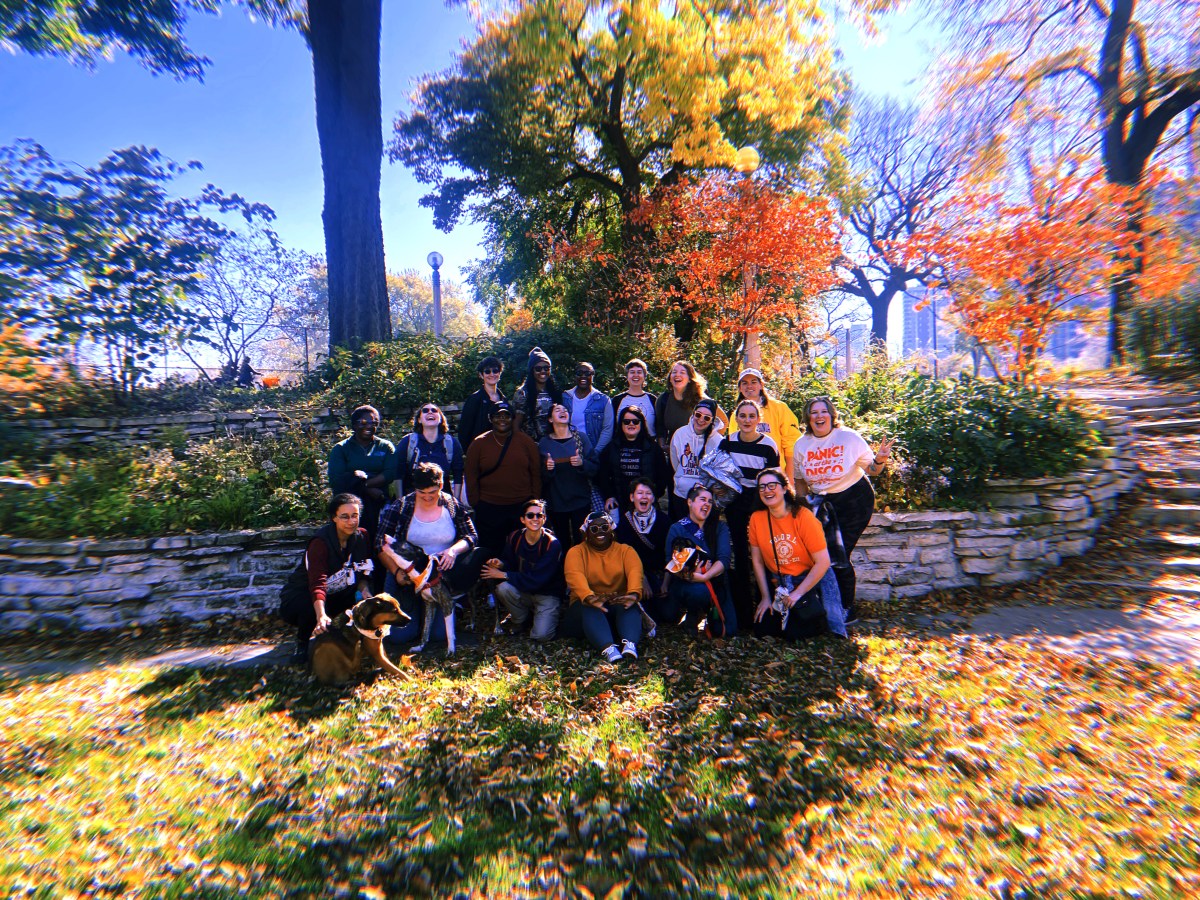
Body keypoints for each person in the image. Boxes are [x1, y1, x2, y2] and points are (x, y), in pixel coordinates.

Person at [792, 396, 894, 625]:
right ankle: (828, 603)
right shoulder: (802, 444)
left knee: (838, 554)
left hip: (854, 499)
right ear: (808, 418)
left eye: (823, 412)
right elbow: (799, 480)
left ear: (831, 415)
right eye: (814, 412)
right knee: (820, 555)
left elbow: (873, 470)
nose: (819, 416)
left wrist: (881, 458)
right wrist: (803, 506)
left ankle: (847, 608)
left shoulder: (848, 437)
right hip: (823, 503)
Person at [376, 462, 487, 648]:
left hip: (438, 578)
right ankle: (415, 615)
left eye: (432, 493)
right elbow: (380, 543)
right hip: (408, 576)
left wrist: (453, 550)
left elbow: (471, 536)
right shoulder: (401, 507)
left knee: (438, 635)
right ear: (415, 489)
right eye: (422, 493)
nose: (427, 498)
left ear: (441, 486)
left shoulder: (451, 505)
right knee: (399, 637)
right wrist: (396, 571)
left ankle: (438, 613)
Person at [748, 468, 846, 639]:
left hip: (806, 579)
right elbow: (757, 561)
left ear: (785, 488)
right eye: (762, 487)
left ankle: (822, 613)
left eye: (772, 485)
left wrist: (797, 593)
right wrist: (764, 597)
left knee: (797, 632)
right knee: (762, 629)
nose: (767, 491)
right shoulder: (757, 518)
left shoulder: (803, 517)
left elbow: (823, 562)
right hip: (779, 581)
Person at [283, 493, 377, 663]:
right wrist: (321, 615)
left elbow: (364, 571)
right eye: (344, 517)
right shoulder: (320, 543)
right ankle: (302, 642)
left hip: (339, 593)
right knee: (308, 605)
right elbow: (317, 582)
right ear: (334, 518)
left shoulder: (362, 536)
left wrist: (365, 592)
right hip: (304, 595)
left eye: (355, 516)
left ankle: (354, 639)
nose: (351, 521)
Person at [719, 399, 781, 623]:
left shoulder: (768, 445)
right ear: (736, 419)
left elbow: (774, 480)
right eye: (742, 416)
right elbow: (719, 474)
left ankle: (770, 610)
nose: (746, 420)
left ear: (758, 420)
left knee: (764, 553)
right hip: (736, 502)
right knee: (741, 556)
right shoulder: (727, 443)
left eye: (751, 416)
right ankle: (744, 613)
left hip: (759, 501)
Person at [561, 511, 644, 663]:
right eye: (594, 529)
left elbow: (635, 571)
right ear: (586, 533)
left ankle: (630, 645)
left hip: (613, 605)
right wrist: (590, 597)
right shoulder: (576, 552)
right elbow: (574, 575)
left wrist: (633, 593)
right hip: (583, 610)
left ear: (611, 529)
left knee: (628, 604)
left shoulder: (626, 551)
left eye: (604, 527)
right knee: (589, 606)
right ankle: (609, 648)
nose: (600, 531)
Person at [657, 484, 736, 637]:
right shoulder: (677, 528)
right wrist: (690, 576)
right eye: (702, 499)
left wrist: (705, 576)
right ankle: (693, 615)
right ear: (690, 502)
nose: (707, 504)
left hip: (714, 581)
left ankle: (705, 614)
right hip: (686, 582)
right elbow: (670, 562)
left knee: (727, 631)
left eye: (710, 501)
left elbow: (724, 560)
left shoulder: (719, 527)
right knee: (669, 614)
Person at [463, 401, 542, 555]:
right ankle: (492, 578)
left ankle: (519, 577)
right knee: (491, 550)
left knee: (521, 549)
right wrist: (475, 502)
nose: (502, 419)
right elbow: (470, 474)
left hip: (521, 506)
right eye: (497, 416)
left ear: (512, 419)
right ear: (490, 418)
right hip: (489, 507)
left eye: (506, 416)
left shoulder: (525, 442)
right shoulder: (479, 443)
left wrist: (535, 500)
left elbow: (536, 472)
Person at [482, 499, 564, 641]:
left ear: (544, 519)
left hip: (547, 594)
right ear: (522, 519)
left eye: (540, 515)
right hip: (524, 591)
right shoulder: (515, 537)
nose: (535, 519)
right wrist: (500, 564)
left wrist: (503, 574)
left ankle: (541, 615)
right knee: (503, 588)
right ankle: (520, 620)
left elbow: (537, 579)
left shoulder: (552, 544)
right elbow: (510, 562)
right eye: (530, 515)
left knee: (541, 636)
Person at [327, 404, 397, 549]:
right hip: (348, 508)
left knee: (377, 545)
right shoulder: (341, 449)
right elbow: (337, 480)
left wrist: (363, 484)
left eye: (374, 423)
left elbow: (391, 473)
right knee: (352, 546)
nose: (369, 426)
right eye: (364, 422)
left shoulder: (385, 446)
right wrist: (365, 488)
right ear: (354, 424)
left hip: (378, 504)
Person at [539, 403, 598, 548]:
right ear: (550, 419)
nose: (563, 411)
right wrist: (548, 469)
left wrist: (581, 463)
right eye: (557, 410)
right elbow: (540, 476)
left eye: (565, 410)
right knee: (561, 542)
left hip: (580, 501)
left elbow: (595, 467)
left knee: (583, 542)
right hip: (556, 503)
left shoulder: (581, 438)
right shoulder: (544, 443)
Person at [597, 405, 669, 513]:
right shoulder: (611, 448)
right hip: (619, 503)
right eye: (626, 421)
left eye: (635, 421)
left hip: (646, 502)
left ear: (641, 424)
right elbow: (602, 475)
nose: (631, 424)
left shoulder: (653, 448)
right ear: (621, 424)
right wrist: (609, 496)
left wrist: (654, 494)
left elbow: (663, 475)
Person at [735, 368, 800, 480]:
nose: (749, 386)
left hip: (775, 476)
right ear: (740, 388)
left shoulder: (779, 408)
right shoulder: (735, 415)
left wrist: (789, 480)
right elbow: (734, 448)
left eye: (754, 382)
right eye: (744, 383)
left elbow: (791, 446)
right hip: (746, 478)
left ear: (761, 385)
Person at [395, 403, 465, 504]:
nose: (430, 412)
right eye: (425, 411)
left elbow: (458, 474)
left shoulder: (451, 443)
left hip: (442, 501)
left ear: (440, 418)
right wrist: (400, 502)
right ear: (419, 420)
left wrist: (456, 502)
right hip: (412, 500)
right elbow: (398, 474)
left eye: (434, 410)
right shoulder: (407, 442)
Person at [614, 478, 670, 602]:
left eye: (648, 493)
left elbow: (671, 554)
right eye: (640, 493)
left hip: (658, 573)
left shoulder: (663, 521)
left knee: (668, 613)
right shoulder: (625, 522)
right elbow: (623, 556)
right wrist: (641, 578)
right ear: (632, 497)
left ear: (653, 498)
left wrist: (666, 582)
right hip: (634, 574)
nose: (644, 497)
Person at [669, 399, 723, 520]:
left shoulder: (718, 441)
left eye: (707, 417)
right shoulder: (680, 434)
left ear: (712, 420)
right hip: (681, 495)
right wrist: (683, 479)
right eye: (698, 414)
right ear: (693, 414)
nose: (701, 419)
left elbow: (719, 472)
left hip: (706, 498)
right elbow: (675, 461)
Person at [654, 360, 727, 451]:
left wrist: (709, 443)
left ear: (689, 379)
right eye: (674, 372)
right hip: (673, 451)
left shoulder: (702, 400)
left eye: (682, 372)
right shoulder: (663, 399)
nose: (677, 375)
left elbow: (723, 421)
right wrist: (662, 446)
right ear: (670, 378)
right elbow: (660, 426)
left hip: (698, 452)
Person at [561, 360, 614, 455]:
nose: (583, 376)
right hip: (568, 450)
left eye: (587, 373)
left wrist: (595, 452)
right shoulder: (564, 398)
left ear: (592, 376)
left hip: (593, 450)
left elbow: (607, 429)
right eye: (579, 373)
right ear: (575, 376)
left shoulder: (603, 400)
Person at [512, 346, 563, 442]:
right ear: (532, 371)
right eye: (538, 369)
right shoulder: (522, 394)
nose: (543, 371)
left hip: (553, 443)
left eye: (546, 368)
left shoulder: (556, 392)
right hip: (531, 444)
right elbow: (516, 426)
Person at [458, 356, 507, 453]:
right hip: (480, 452)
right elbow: (464, 431)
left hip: (501, 451)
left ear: (500, 373)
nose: (492, 374)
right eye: (487, 371)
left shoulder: (504, 400)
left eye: (495, 371)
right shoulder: (474, 399)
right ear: (481, 375)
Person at [612, 358, 658, 437]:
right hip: (623, 445)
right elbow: (612, 427)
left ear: (644, 376)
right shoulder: (617, 400)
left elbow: (659, 426)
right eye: (632, 372)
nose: (635, 375)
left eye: (639, 372)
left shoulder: (653, 400)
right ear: (627, 376)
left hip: (649, 446)